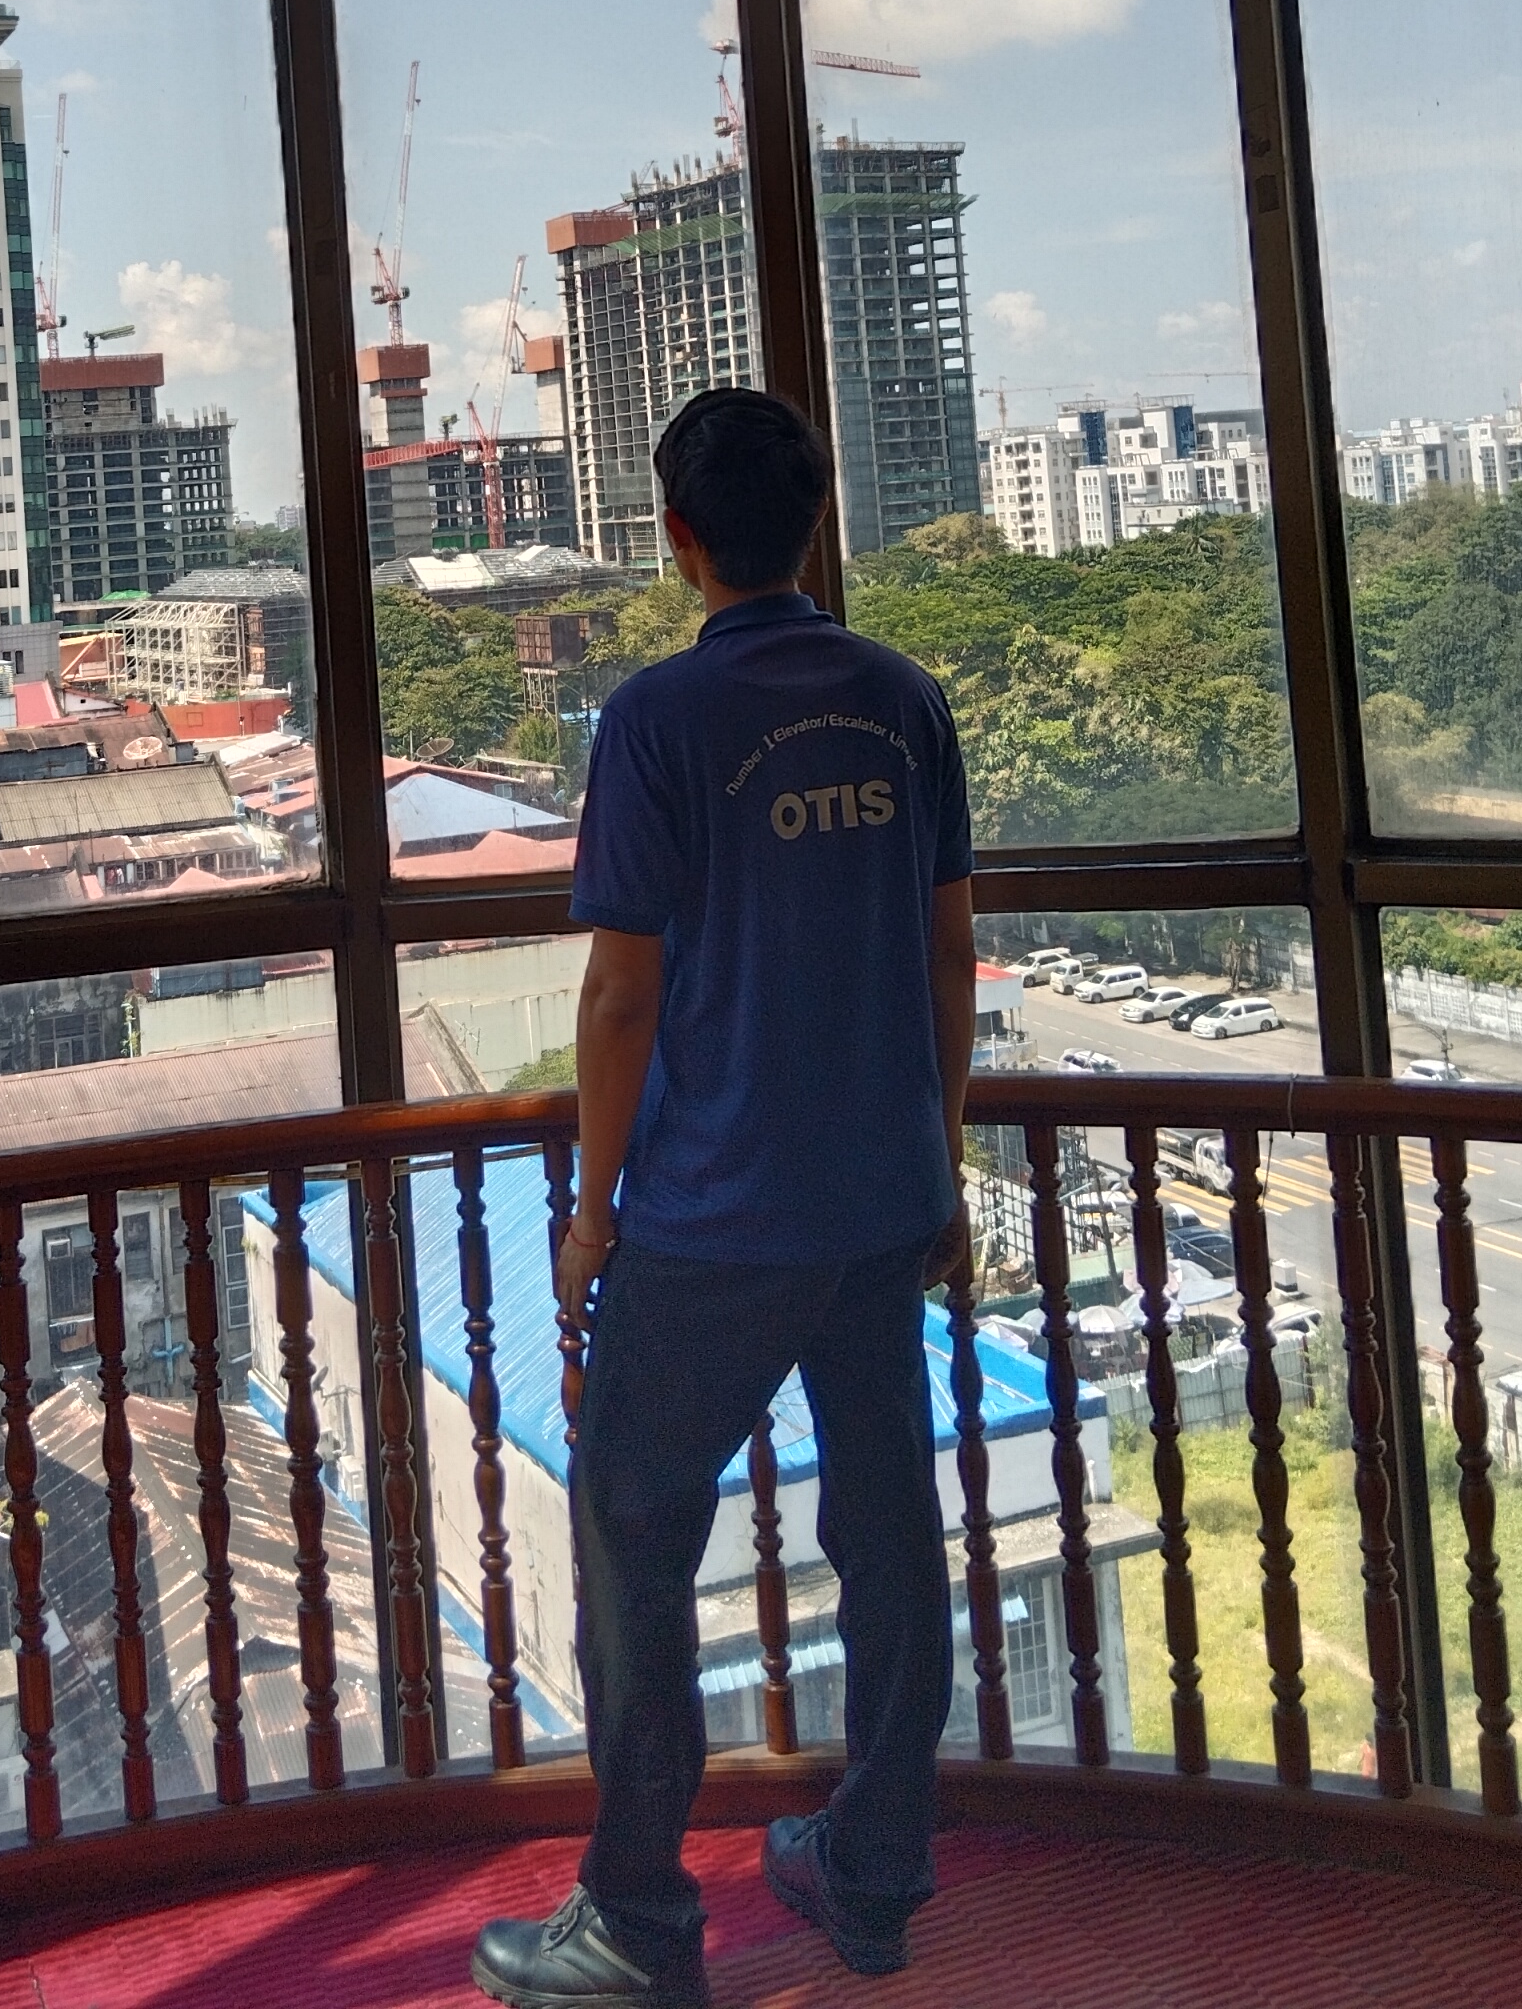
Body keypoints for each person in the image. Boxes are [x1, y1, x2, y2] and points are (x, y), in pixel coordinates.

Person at [471, 387, 976, 2009]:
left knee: (635, 1548)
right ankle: (875, 1872)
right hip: (878, 1199)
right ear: (816, 523)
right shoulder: (903, 701)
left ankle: (637, 1917)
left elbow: (623, 993)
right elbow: (949, 957)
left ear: (679, 539)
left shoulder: (657, 720)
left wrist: (593, 1214)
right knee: (889, 1538)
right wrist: (942, 1159)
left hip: (710, 1215)